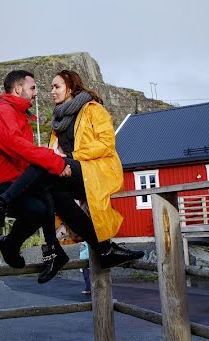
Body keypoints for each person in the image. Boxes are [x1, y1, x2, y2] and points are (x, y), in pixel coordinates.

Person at [0, 70, 70, 270]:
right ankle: (52, 251)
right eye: (33, 88)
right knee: (44, 167)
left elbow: (24, 159)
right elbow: (19, 147)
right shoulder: (2, 113)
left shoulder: (19, 116)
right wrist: (56, 162)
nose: (36, 93)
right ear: (18, 89)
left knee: (40, 206)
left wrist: (54, 163)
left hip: (8, 185)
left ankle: (12, 244)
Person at [44, 69, 144, 272]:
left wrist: (71, 158)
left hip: (98, 170)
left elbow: (106, 144)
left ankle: (50, 251)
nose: (52, 91)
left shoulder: (93, 109)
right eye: (51, 88)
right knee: (52, 192)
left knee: (49, 181)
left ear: (70, 88)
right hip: (73, 173)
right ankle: (105, 250)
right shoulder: (58, 121)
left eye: (56, 87)